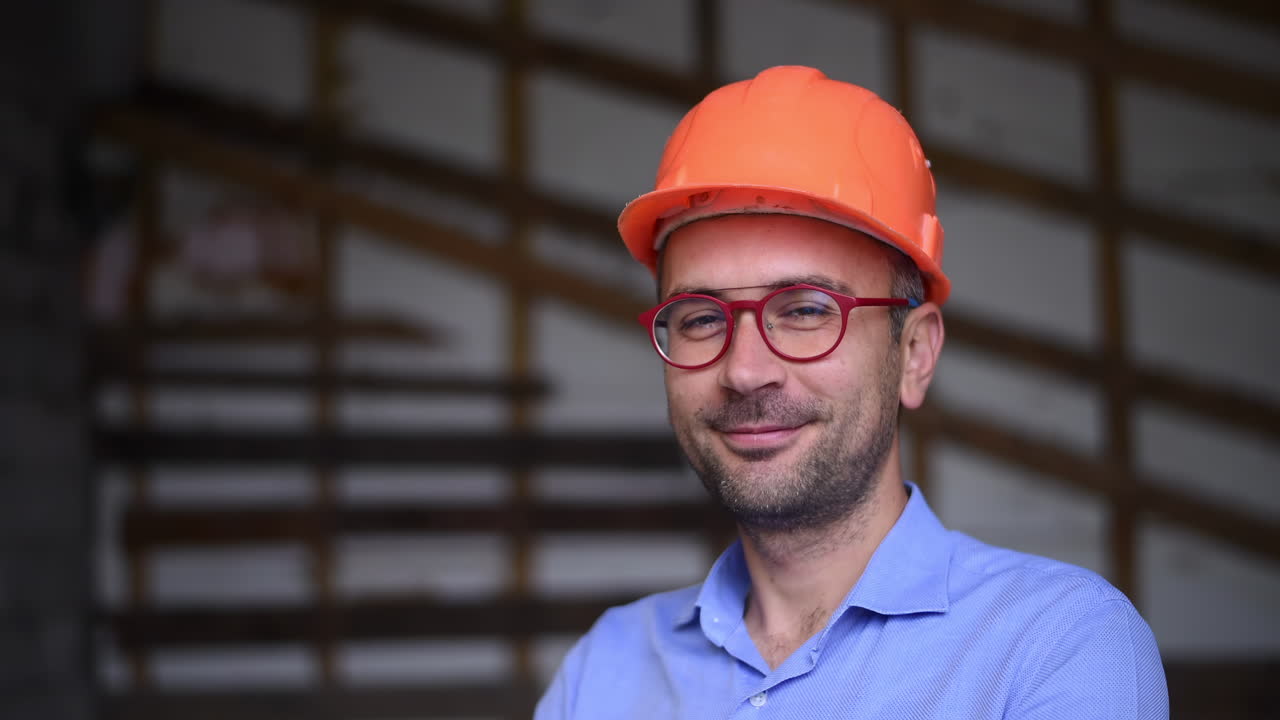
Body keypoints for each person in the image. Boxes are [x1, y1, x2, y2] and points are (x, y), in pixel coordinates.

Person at [535, 65, 1167, 719]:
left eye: (806, 310)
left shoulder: (1053, 647)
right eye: (700, 318)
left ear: (915, 354)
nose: (745, 371)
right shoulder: (606, 669)